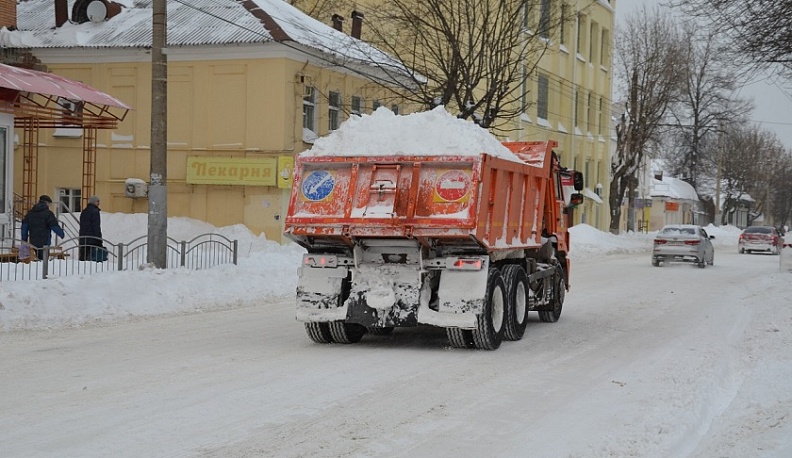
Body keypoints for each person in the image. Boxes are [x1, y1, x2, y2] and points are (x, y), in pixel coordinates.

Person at [20, 195, 65, 261]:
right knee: (44, 260)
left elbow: (24, 227)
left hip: (34, 240)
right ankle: (43, 269)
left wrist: (24, 239)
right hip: (45, 241)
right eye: (49, 204)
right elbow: (54, 226)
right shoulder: (48, 214)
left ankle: (39, 266)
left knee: (38, 257)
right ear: (47, 203)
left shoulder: (30, 213)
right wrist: (61, 234)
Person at [79, 195, 106, 261]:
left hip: (83, 238)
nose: (99, 203)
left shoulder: (84, 211)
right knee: (93, 257)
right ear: (94, 202)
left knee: (83, 256)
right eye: (98, 201)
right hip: (92, 238)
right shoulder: (95, 211)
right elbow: (96, 226)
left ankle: (81, 269)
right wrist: (99, 239)